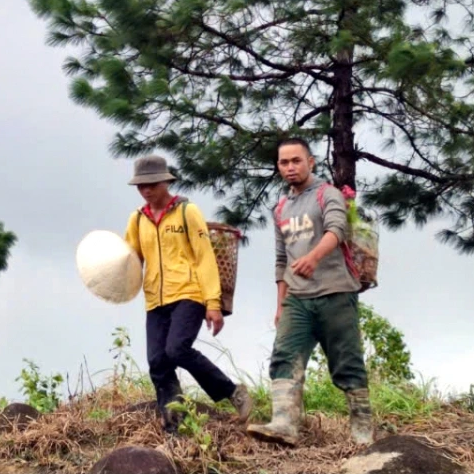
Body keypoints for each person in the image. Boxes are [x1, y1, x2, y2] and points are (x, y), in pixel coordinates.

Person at [245, 138, 374, 447]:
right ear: (278, 166)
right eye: (283, 162)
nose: (290, 167)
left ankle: (363, 429)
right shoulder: (281, 208)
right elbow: (281, 260)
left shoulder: (325, 194)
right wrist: (280, 304)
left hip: (336, 292)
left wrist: (313, 257)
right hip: (298, 299)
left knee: (347, 360)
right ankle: (284, 424)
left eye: (296, 161)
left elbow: (337, 230)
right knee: (284, 355)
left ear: (310, 162)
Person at [122, 154, 252, 434]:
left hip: (189, 293)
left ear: (165, 182)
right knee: (157, 361)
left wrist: (213, 303)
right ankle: (173, 421)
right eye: (141, 186)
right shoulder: (137, 219)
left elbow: (205, 258)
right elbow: (131, 258)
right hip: (155, 299)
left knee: (177, 349)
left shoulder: (186, 212)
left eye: (152, 184)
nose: (146, 190)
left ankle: (232, 392)